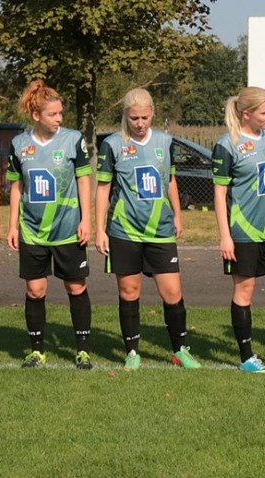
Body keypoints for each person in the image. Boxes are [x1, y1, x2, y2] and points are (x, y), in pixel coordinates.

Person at [94, 88, 201, 371]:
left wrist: (177, 215)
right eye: (134, 118)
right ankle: (132, 352)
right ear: (125, 116)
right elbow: (103, 188)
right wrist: (99, 229)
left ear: (152, 113)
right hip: (124, 230)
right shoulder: (112, 144)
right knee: (129, 292)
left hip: (160, 230)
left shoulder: (165, 142)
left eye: (144, 117)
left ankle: (180, 350)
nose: (140, 123)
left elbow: (171, 180)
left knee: (173, 293)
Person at [6, 80, 94, 369]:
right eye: (52, 114)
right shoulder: (19, 144)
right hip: (32, 230)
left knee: (76, 287)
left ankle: (82, 350)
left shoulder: (73, 139)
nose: (59, 119)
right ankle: (37, 351)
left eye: (60, 113)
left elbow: (84, 179)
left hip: (68, 228)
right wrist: (12, 226)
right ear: (36, 115)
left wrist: (86, 219)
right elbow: (17, 187)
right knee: (35, 290)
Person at [212, 86, 265, 375]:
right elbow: (219, 193)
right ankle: (247, 357)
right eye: (264, 112)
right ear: (246, 114)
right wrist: (225, 235)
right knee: (245, 292)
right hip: (243, 232)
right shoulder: (227, 144)